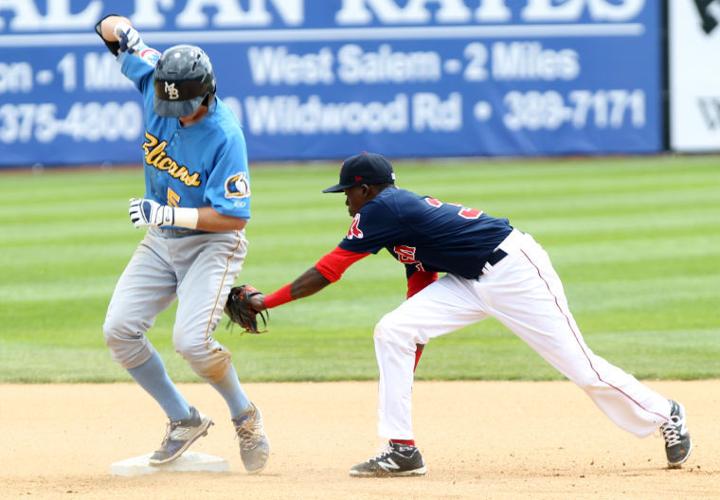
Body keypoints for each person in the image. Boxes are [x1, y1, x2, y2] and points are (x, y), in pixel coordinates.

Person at [244, 152, 692, 477]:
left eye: (348, 193)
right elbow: (419, 278)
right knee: (394, 330)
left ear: (366, 188)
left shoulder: (382, 209)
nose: (346, 202)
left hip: (515, 272)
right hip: (468, 280)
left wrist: (266, 302)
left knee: (581, 367)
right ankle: (401, 448)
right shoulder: (394, 216)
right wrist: (414, 340)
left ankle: (665, 413)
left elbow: (328, 271)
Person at [95, 15, 269, 473]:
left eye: (188, 105)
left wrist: (167, 213)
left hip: (213, 243)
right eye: (171, 103)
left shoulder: (226, 134)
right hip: (161, 240)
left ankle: (244, 414)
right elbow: (106, 27)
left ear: (208, 92)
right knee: (119, 331)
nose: (178, 112)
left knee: (191, 341)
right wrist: (126, 34)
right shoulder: (159, 81)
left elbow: (235, 215)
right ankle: (183, 418)